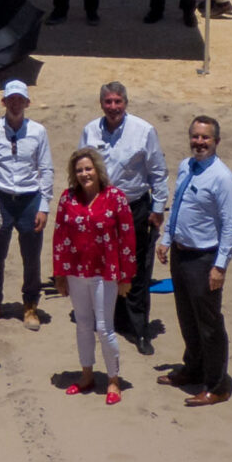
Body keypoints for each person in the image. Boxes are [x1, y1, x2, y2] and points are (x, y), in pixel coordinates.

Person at [80, 82, 167, 351]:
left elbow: (158, 171)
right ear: (101, 104)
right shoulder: (90, 130)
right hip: (102, 208)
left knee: (137, 269)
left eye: (118, 102)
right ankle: (110, 321)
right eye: (108, 102)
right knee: (105, 266)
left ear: (125, 103)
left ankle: (140, 330)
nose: (113, 107)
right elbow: (82, 168)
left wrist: (158, 208)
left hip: (135, 208)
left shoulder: (144, 131)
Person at [159, 116, 232, 407]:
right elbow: (177, 205)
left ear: (216, 141)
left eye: (205, 138)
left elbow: (230, 227)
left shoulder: (222, 178)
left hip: (204, 258)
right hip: (181, 254)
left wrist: (220, 266)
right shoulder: (185, 167)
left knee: (209, 324)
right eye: (195, 136)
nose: (199, 142)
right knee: (187, 317)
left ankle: (217, 385)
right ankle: (193, 368)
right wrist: (167, 239)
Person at [52, 146, 135, 401]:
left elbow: (127, 237)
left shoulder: (115, 198)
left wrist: (126, 276)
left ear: (97, 170)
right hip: (76, 271)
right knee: (83, 325)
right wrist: (60, 274)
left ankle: (113, 379)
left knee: (104, 327)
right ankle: (86, 374)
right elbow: (60, 236)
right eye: (79, 170)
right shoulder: (68, 198)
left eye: (88, 169)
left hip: (105, 271)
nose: (84, 174)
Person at [0, 81, 52, 328]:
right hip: (0, 198)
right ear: (4, 102)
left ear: (27, 103)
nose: (16, 103)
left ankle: (30, 304)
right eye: (12, 99)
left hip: (30, 199)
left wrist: (44, 205)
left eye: (21, 99)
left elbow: (46, 169)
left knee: (31, 256)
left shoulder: (38, 131)